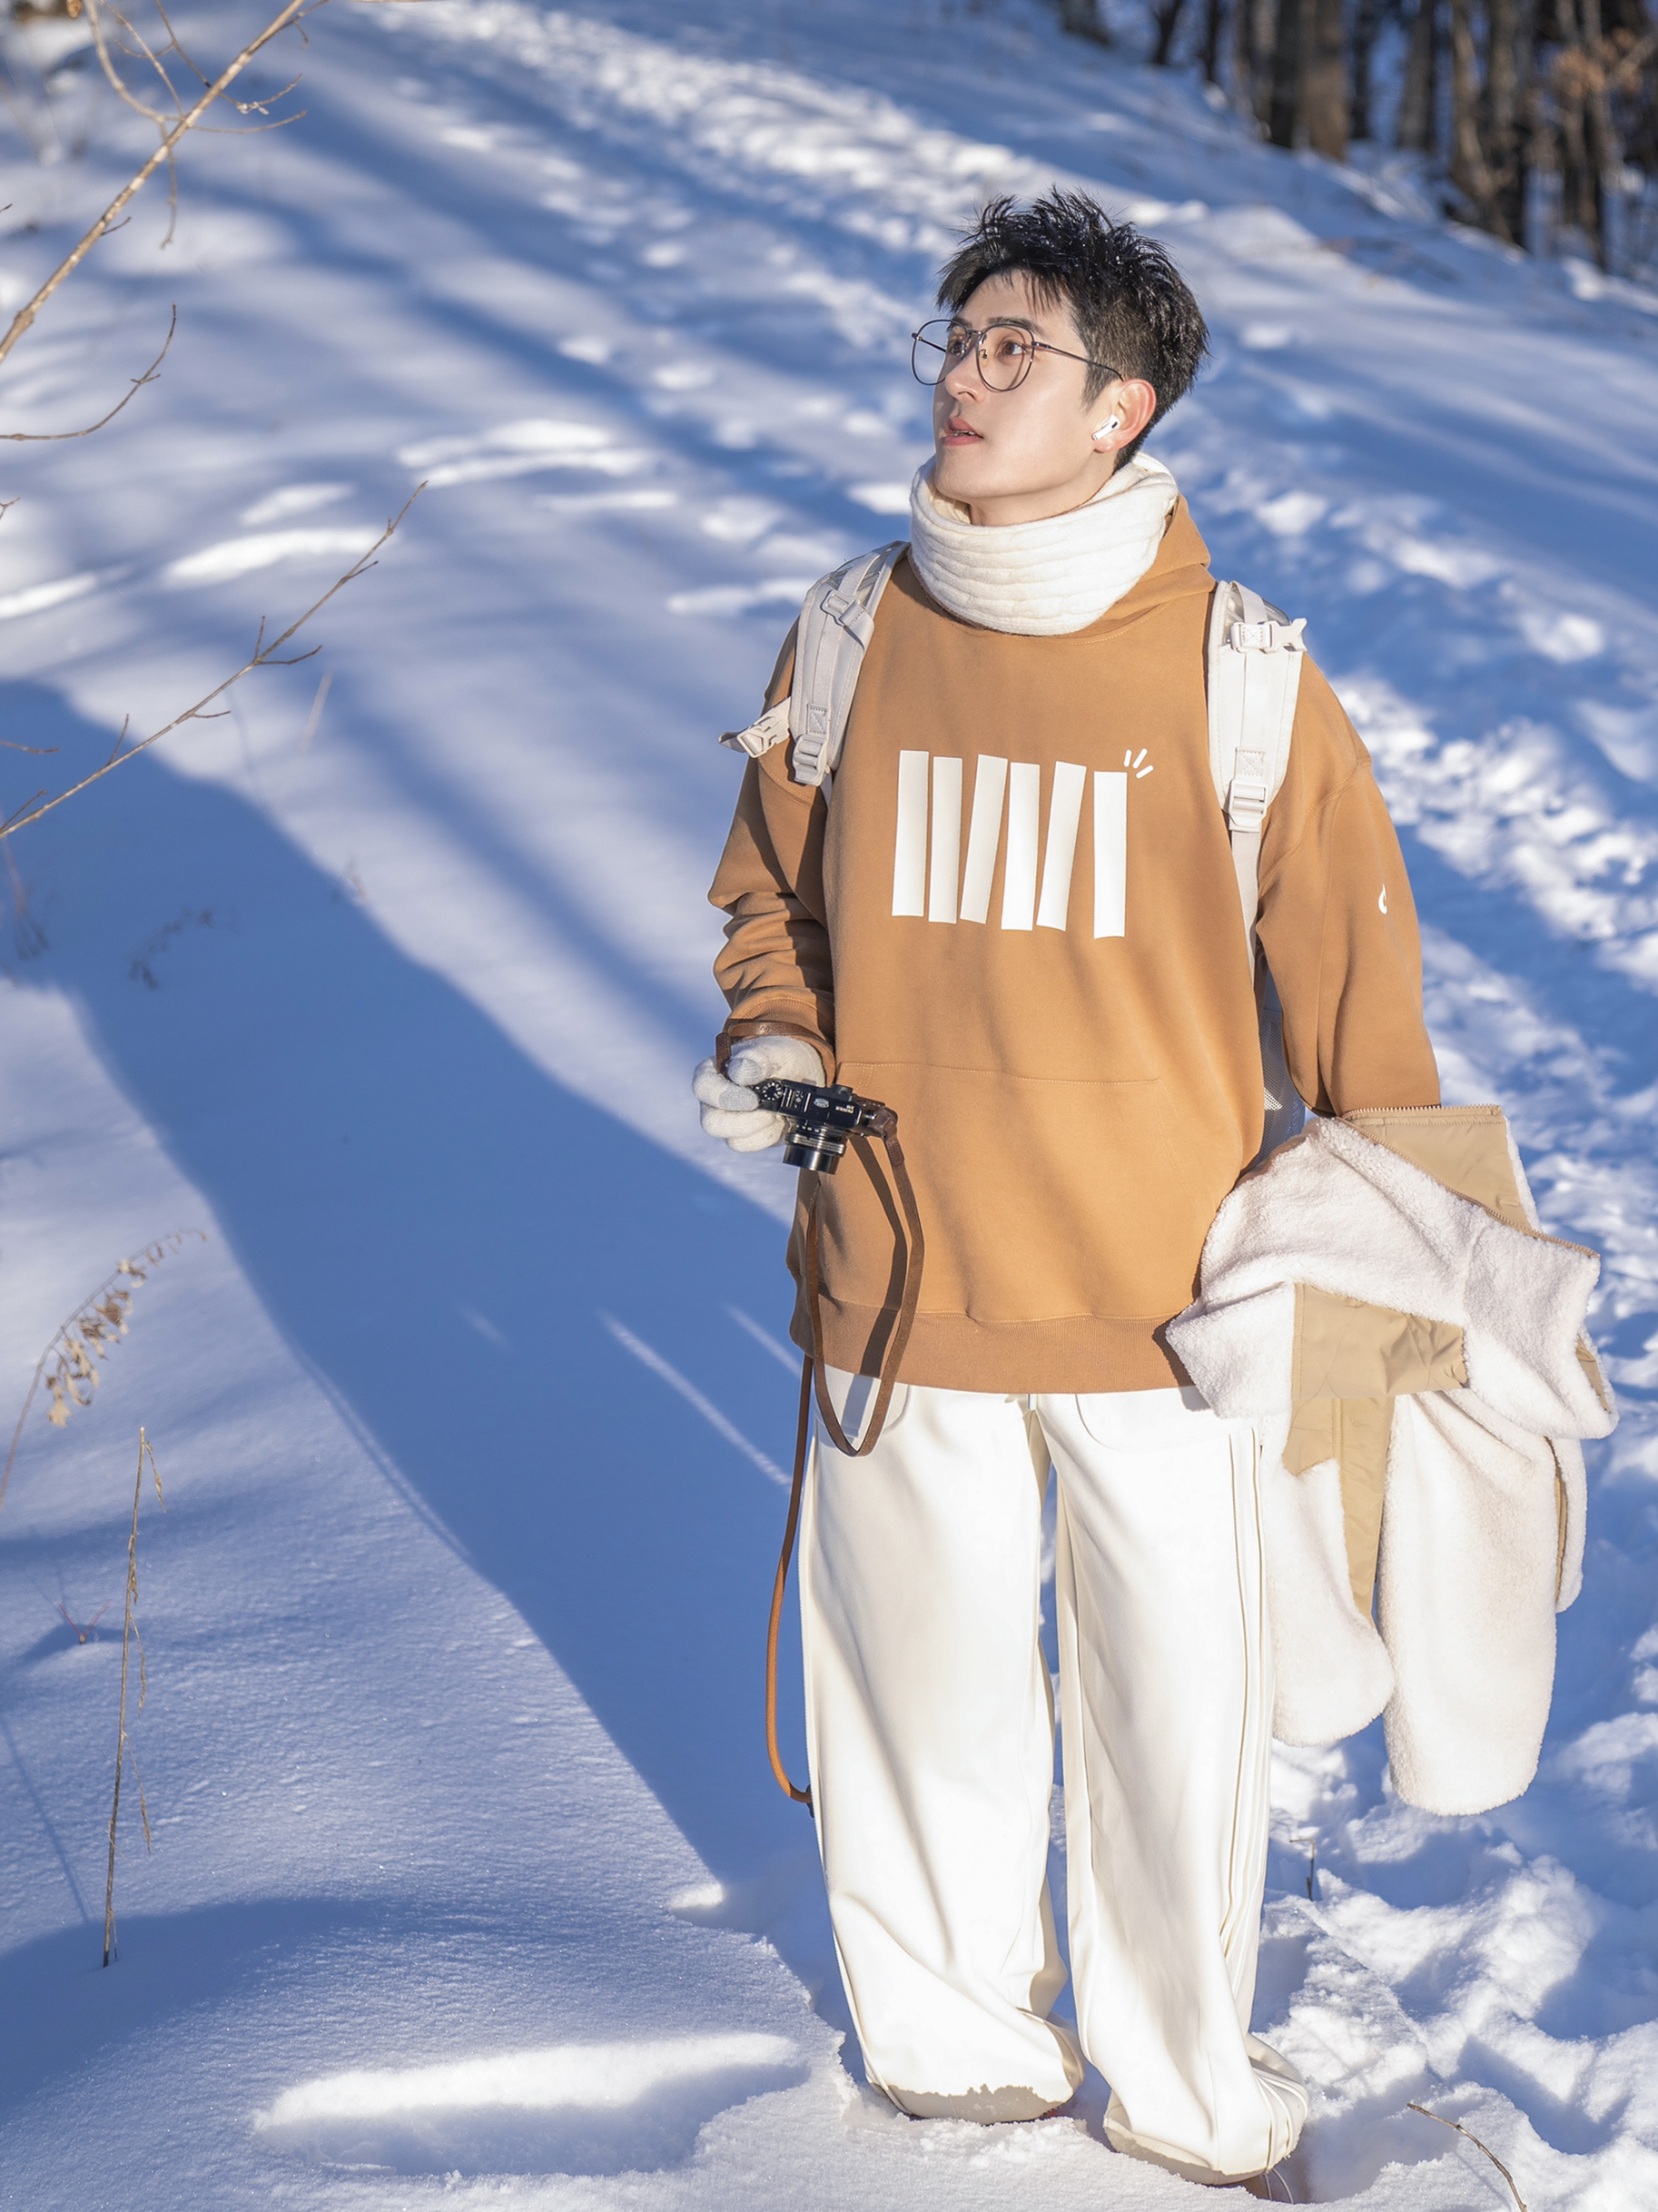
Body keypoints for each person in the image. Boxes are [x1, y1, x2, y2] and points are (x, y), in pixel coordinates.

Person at [693, 190, 1440, 2191]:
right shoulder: (850, 633)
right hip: (897, 1279)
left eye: (1012, 347)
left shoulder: (1239, 672)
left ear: (1122, 409)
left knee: (1172, 1738)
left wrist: (1404, 1310)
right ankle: (953, 2070)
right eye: (955, 335)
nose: (962, 373)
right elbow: (768, 902)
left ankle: (1188, 2097)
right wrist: (774, 1040)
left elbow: (1360, 1013)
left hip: (1166, 1311)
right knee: (918, 1710)